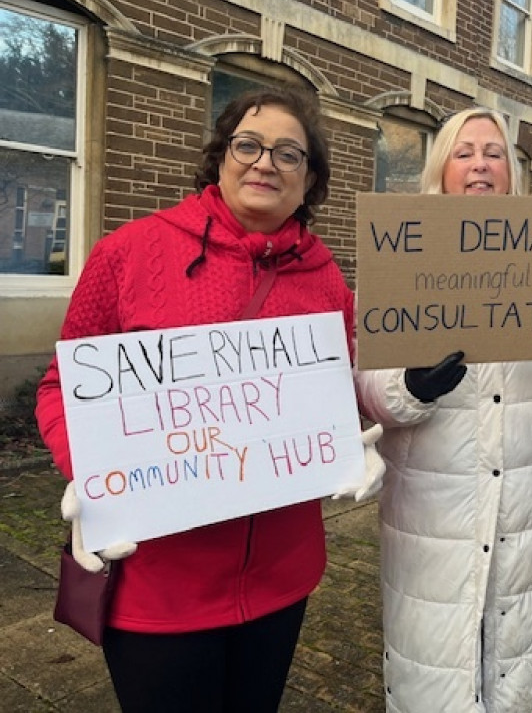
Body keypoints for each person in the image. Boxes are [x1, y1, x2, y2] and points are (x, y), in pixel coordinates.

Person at [35, 87, 375, 712]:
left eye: (288, 153)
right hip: (158, 585)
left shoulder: (326, 279)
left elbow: (332, 389)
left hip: (280, 577)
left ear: (309, 180)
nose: (265, 163)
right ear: (221, 159)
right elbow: (62, 386)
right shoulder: (130, 253)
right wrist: (83, 467)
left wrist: (350, 441)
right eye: (248, 145)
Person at [355, 106, 532, 712]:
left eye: (494, 152)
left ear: (510, 170)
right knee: (438, 668)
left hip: (527, 511)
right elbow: (369, 390)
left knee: (526, 672)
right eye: (465, 151)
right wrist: (411, 388)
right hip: (432, 512)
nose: (480, 164)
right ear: (442, 168)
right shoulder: (402, 255)